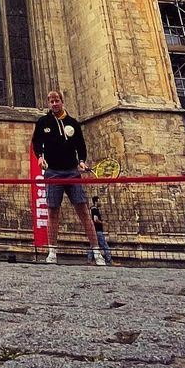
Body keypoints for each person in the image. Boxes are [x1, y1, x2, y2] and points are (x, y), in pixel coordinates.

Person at [31, 90, 104, 265]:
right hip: (53, 172)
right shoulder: (43, 122)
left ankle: (97, 252)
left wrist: (82, 161)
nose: (54, 104)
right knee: (53, 213)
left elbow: (81, 146)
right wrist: (40, 156)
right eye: (51, 101)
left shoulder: (73, 123)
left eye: (56, 101)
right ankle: (52, 252)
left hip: (72, 171)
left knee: (84, 212)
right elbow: (36, 142)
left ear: (62, 102)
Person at [89, 197, 113, 266]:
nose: (100, 202)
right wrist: (103, 223)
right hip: (98, 230)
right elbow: (95, 219)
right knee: (105, 245)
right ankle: (109, 260)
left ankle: (89, 260)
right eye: (99, 201)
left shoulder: (92, 209)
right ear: (96, 202)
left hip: (94, 230)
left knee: (93, 245)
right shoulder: (95, 210)